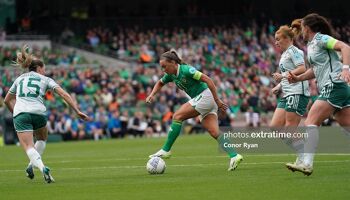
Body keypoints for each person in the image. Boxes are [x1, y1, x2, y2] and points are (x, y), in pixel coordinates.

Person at [4, 45, 90, 183]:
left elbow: (7, 100)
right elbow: (63, 94)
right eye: (44, 69)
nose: (44, 71)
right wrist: (77, 110)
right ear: (39, 69)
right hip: (39, 113)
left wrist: (15, 113)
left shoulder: (19, 79)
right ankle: (31, 167)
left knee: (28, 147)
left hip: (21, 114)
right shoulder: (46, 80)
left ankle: (42, 167)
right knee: (42, 139)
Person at [146, 49, 243, 171]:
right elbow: (159, 83)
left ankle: (166, 150)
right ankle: (234, 155)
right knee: (214, 132)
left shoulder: (186, 70)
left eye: (164, 66)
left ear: (173, 63)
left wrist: (217, 100)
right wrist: (152, 94)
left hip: (206, 96)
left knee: (177, 116)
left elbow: (208, 80)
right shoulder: (170, 75)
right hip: (205, 100)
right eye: (161, 67)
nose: (163, 70)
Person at [287, 13, 350, 175]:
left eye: (302, 28)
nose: (300, 32)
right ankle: (306, 162)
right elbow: (315, 70)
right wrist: (299, 78)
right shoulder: (312, 45)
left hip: (334, 85)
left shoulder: (321, 39)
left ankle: (306, 163)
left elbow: (345, 47)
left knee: (311, 121)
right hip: (336, 88)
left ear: (307, 28)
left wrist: (345, 69)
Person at [270, 24, 310, 168]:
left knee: (290, 128)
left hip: (297, 91)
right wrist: (279, 85)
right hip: (287, 93)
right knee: (275, 127)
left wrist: (282, 76)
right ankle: (302, 153)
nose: (276, 42)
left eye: (278, 39)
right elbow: (290, 73)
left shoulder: (294, 51)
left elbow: (302, 68)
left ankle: (304, 158)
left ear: (287, 38)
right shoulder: (285, 53)